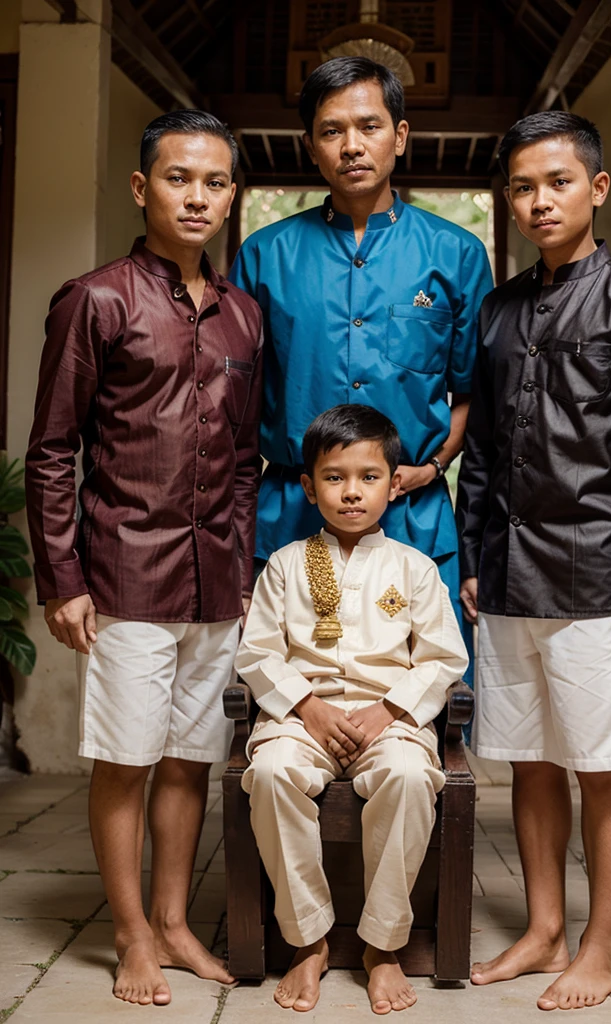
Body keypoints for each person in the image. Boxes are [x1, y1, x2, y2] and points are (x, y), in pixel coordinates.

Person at [25, 110, 263, 1006]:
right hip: (124, 576)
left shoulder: (244, 315)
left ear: (232, 193)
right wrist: (64, 579)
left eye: (213, 181)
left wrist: (239, 569)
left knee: (189, 760)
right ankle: (128, 936)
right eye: (177, 178)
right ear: (142, 187)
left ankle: (171, 923)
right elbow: (53, 449)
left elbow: (244, 460)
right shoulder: (96, 299)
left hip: (214, 584)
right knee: (126, 759)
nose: (196, 196)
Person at [456, 111, 611, 1011]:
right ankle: (544, 929)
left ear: (597, 188)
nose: (537, 200)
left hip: (599, 580)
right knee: (530, 760)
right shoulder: (501, 307)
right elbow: (480, 450)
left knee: (602, 762)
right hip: (507, 571)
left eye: (556, 182)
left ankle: (601, 943)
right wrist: (474, 554)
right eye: (521, 186)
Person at [229, 56, 493, 661]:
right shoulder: (264, 255)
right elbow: (235, 404)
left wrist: (431, 467)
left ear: (399, 136)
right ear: (311, 147)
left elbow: (474, 390)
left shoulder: (455, 253)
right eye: (332, 130)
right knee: (293, 690)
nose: (352, 145)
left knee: (417, 691)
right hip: (293, 515)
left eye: (369, 126)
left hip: (410, 514)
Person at [236, 404, 468, 1014]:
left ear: (394, 484)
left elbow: (443, 659)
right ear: (309, 488)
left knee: (411, 776)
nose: (352, 492)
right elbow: (258, 654)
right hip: (300, 717)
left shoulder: (414, 570)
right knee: (270, 773)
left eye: (369, 477)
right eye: (335, 478)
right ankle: (308, 938)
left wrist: (389, 711)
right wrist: (306, 707)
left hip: (388, 721)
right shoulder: (285, 567)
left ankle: (382, 945)